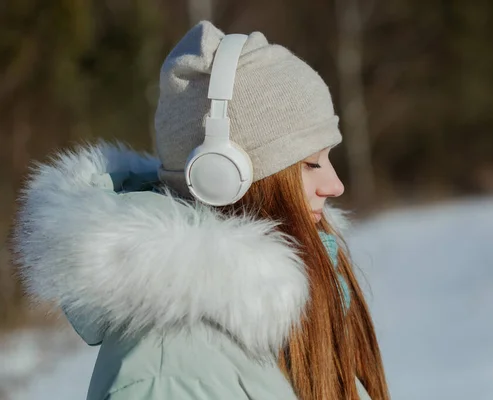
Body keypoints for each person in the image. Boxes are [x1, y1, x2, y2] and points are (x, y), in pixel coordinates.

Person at [13, 21, 390, 399]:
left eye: (329, 157)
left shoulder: (276, 314)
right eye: (310, 164)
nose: (335, 185)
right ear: (222, 174)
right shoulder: (167, 373)